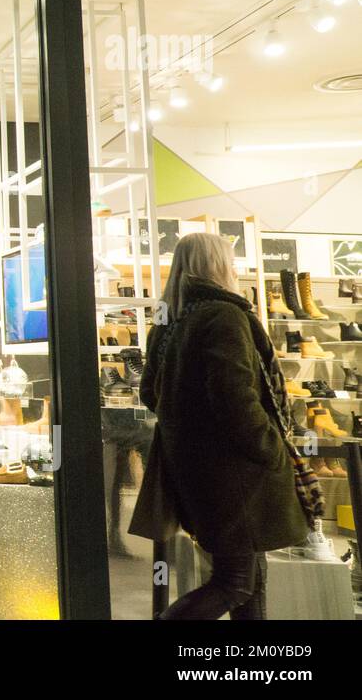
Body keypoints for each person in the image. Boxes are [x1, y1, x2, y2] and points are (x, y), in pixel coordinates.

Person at [129, 233, 308, 619]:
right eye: (230, 260)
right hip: (235, 475)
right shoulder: (223, 315)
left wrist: (190, 423)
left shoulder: (171, 320)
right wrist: (269, 446)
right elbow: (235, 396)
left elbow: (149, 391)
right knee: (237, 581)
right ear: (217, 265)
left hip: (201, 471)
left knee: (250, 579)